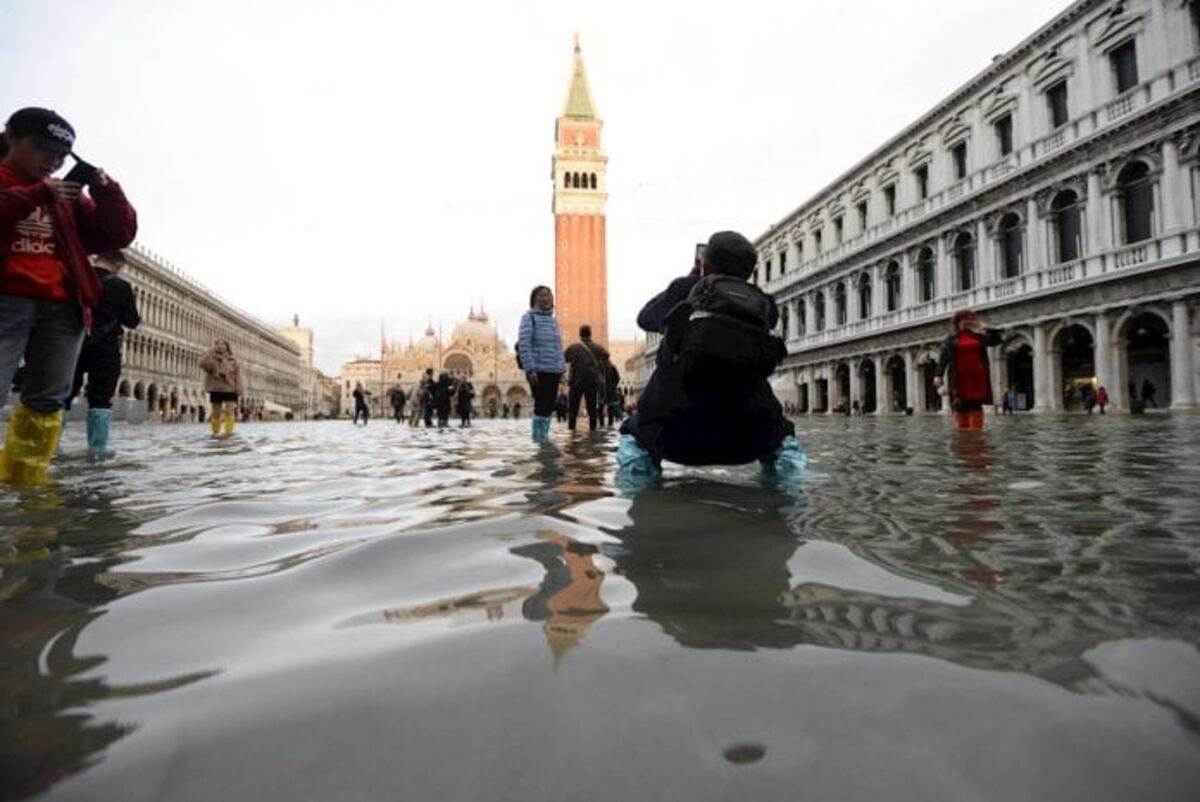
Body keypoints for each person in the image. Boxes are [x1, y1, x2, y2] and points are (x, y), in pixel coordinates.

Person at [0, 108, 137, 482]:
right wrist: (34, 195)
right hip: (6, 299)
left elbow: (115, 235)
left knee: (47, 401)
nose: (53, 162)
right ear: (11, 137)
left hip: (62, 306)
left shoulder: (66, 197)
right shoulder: (35, 187)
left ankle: (24, 481)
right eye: (42, 149)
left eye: (61, 156)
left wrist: (106, 190)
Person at [618, 231, 803, 479]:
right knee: (783, 439)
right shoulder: (764, 304)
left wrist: (691, 280)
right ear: (749, 271)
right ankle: (791, 485)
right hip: (750, 439)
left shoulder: (685, 289)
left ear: (704, 263)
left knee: (631, 434)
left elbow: (645, 318)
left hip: (671, 436)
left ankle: (640, 489)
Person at [65, 251, 140, 455]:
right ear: (118, 265)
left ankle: (50, 446)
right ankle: (97, 449)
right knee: (100, 397)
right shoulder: (120, 286)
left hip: (72, 341)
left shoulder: (76, 276)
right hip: (105, 346)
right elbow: (132, 320)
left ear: (96, 260)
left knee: (64, 394)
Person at [934, 309, 1005, 430]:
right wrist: (938, 375)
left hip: (978, 378)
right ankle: (962, 434)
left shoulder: (978, 337)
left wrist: (986, 328)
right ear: (958, 322)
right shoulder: (950, 339)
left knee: (975, 405)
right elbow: (943, 358)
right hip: (959, 378)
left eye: (971, 319)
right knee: (960, 404)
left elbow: (997, 340)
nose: (969, 321)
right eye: (965, 319)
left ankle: (976, 434)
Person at [517, 285, 565, 443]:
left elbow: (558, 346)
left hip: (553, 370)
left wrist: (561, 368)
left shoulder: (552, 321)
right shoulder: (528, 317)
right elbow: (524, 344)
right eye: (542, 295)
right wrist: (530, 369)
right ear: (534, 299)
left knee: (549, 405)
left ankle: (543, 437)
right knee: (542, 404)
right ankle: (538, 438)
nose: (546, 298)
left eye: (549, 295)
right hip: (538, 370)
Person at [563, 324, 608, 432]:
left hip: (576, 382)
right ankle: (593, 430)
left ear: (580, 334)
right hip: (592, 382)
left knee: (573, 409)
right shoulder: (597, 347)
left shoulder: (573, 348)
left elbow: (564, 358)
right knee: (592, 409)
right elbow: (606, 355)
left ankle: (572, 431)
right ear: (590, 334)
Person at [200, 340, 243, 437]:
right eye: (217, 344)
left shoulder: (233, 360)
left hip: (230, 388)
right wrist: (209, 352)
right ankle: (215, 432)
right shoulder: (211, 359)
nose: (220, 346)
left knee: (230, 410)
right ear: (214, 346)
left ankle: (228, 432)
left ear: (227, 346)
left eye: (222, 344)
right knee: (216, 412)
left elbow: (238, 375)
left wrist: (239, 388)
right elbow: (202, 364)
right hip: (216, 388)